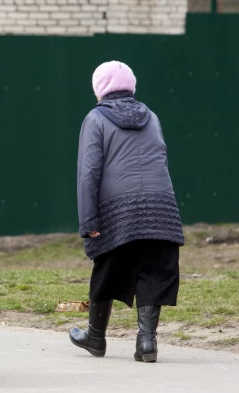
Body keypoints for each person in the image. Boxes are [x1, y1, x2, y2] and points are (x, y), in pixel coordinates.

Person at [70, 61, 184, 362]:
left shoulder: (96, 118)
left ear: (100, 89)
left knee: (108, 268)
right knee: (153, 269)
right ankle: (147, 342)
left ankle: (95, 337)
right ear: (130, 86)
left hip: (119, 208)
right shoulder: (152, 116)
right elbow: (161, 159)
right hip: (161, 205)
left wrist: (88, 220)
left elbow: (88, 173)